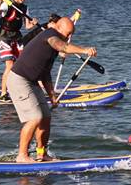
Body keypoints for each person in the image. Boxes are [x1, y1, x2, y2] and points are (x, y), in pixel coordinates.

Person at [7, 16, 96, 162]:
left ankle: (42, 154)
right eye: (66, 34)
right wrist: (85, 50)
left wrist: (52, 95)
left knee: (46, 117)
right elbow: (63, 47)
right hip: (19, 80)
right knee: (35, 118)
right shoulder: (50, 35)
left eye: (69, 35)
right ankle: (22, 156)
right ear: (58, 28)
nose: (67, 38)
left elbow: (45, 73)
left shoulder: (53, 47)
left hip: (32, 81)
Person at [0, 0, 37, 101]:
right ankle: (3, 94)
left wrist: (34, 24)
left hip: (17, 37)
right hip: (5, 36)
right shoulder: (7, 4)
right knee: (10, 65)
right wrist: (0, 1)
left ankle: (23, 88)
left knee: (24, 63)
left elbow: (27, 26)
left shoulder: (25, 8)